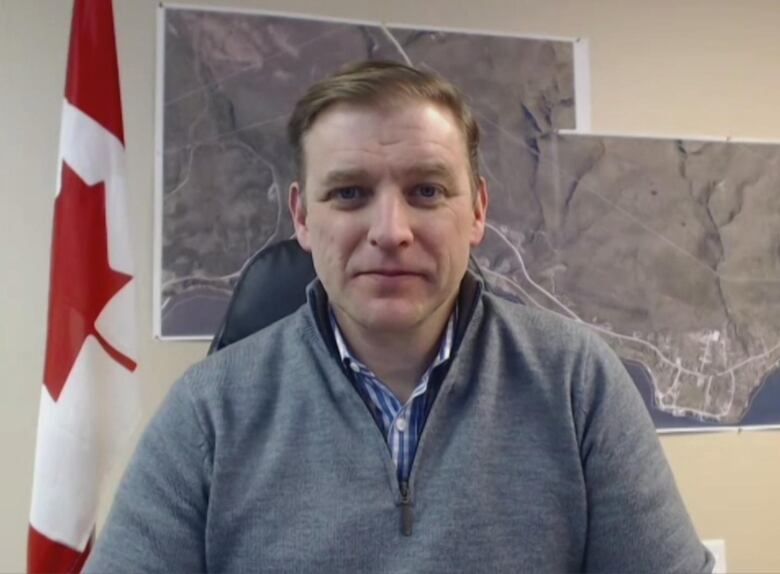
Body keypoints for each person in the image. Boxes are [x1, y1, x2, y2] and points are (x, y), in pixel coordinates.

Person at [86, 61, 713, 573]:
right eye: (350, 193)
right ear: (303, 217)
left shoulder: (578, 386)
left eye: (428, 191)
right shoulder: (208, 411)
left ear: (477, 212)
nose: (390, 232)